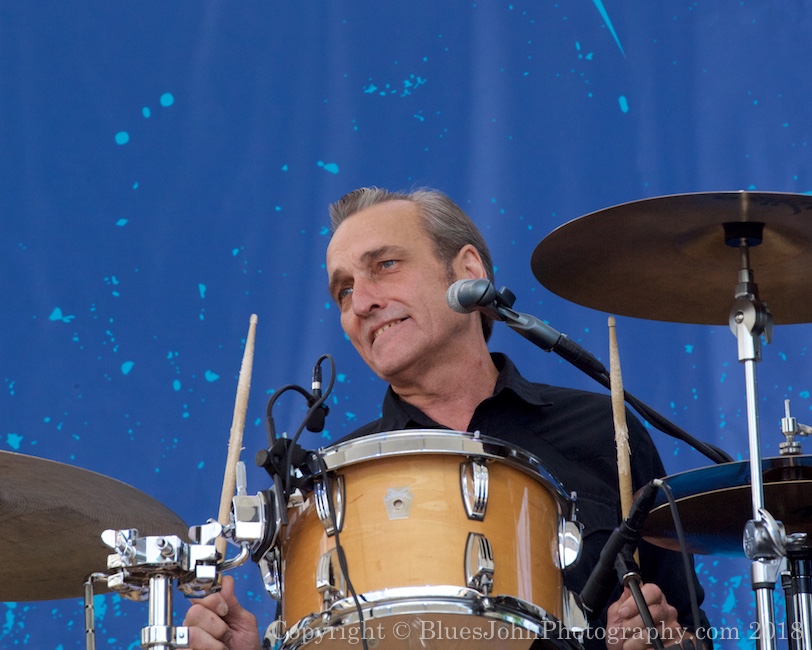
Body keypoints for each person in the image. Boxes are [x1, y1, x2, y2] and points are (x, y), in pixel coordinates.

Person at [184, 187, 711, 650]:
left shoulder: (603, 429)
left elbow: (694, 632)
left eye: (384, 265)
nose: (360, 302)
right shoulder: (330, 485)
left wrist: (665, 640)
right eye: (343, 290)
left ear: (469, 272)